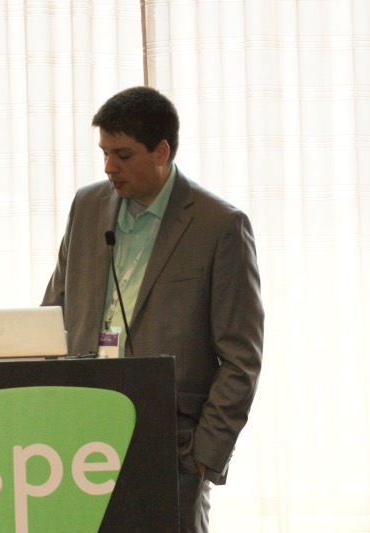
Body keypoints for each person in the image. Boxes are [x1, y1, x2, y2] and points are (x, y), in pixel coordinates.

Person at [42, 86, 264, 532]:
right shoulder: (87, 206)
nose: (109, 167)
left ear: (161, 151)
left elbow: (241, 357)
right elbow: (53, 312)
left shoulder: (219, 225)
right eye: (104, 153)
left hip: (170, 444)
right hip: (79, 435)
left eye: (122, 155)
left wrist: (204, 455)